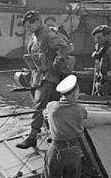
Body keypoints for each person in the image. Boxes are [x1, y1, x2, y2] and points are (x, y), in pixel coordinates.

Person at [26, 75, 87, 178]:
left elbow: (46, 116)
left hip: (56, 151)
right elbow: (83, 119)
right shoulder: (80, 109)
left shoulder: (52, 107)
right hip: (73, 151)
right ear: (74, 93)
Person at [16, 11, 72, 149]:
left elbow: (64, 47)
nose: (28, 30)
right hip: (40, 75)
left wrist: (56, 64)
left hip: (49, 76)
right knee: (52, 107)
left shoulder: (48, 34)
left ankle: (32, 136)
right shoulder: (37, 35)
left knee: (39, 105)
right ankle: (53, 134)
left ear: (37, 22)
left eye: (30, 26)